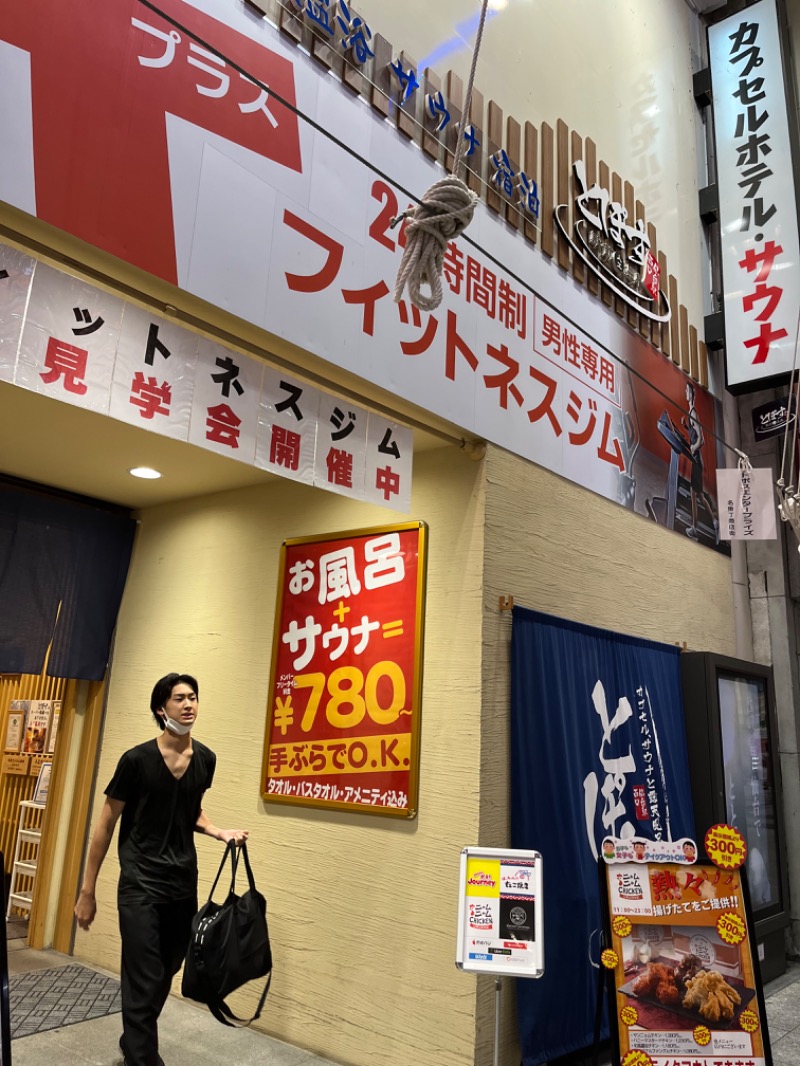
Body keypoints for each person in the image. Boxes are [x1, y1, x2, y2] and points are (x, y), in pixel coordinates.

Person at [74, 673, 248, 1066]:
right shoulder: (136, 761)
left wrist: (219, 831)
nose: (189, 704)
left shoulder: (205, 759)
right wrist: (88, 889)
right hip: (140, 883)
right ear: (161, 708)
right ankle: (142, 1056)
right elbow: (105, 825)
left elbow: (189, 811)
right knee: (143, 972)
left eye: (193, 697)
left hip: (181, 882)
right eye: (179, 698)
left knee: (168, 966)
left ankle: (134, 1035)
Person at [682, 381, 719, 542]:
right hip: (697, 460)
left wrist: (693, 448)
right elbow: (695, 435)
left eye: (687, 391)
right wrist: (685, 427)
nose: (685, 392)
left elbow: (701, 440)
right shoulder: (691, 413)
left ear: (691, 394)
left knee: (694, 494)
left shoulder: (694, 413)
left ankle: (695, 528)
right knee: (699, 495)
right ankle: (715, 522)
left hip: (697, 460)